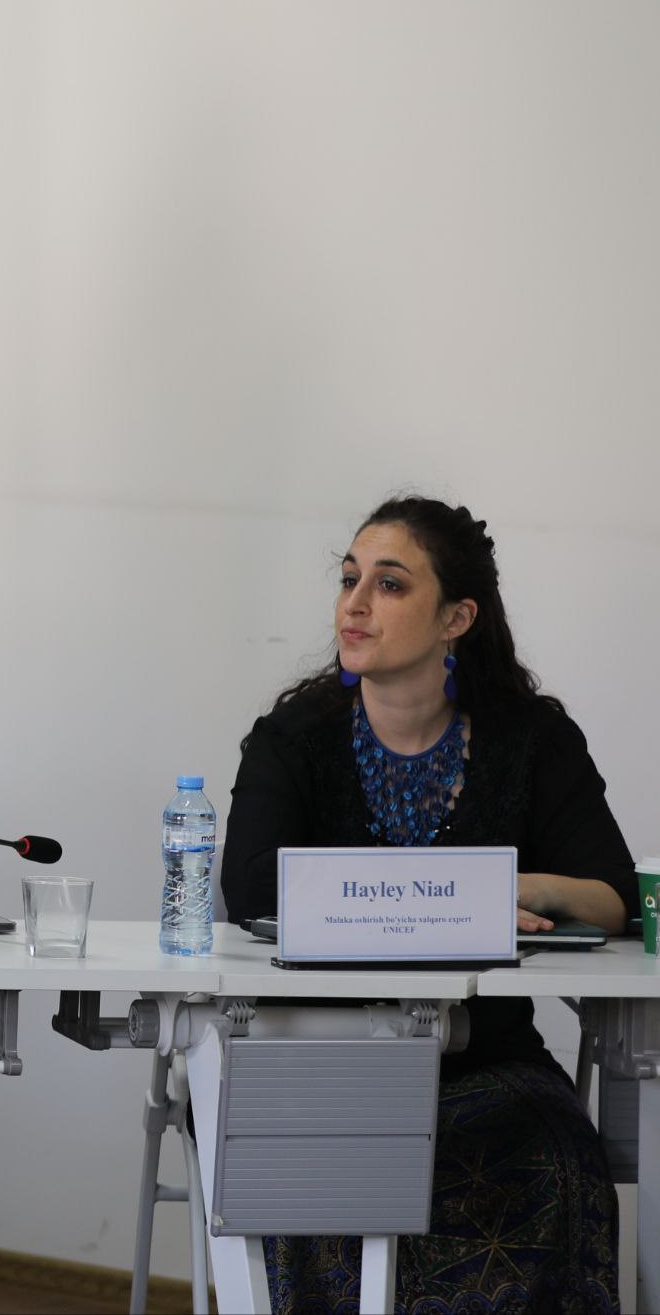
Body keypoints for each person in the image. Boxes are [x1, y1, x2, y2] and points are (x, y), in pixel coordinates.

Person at [223, 496, 632, 1310]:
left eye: (389, 584)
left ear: (457, 617)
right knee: (332, 1187)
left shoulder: (530, 738)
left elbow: (614, 896)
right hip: (320, 1064)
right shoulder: (294, 737)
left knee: (559, 1160)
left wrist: (514, 887)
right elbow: (253, 889)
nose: (354, 604)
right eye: (348, 579)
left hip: (487, 1064)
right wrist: (444, 896)